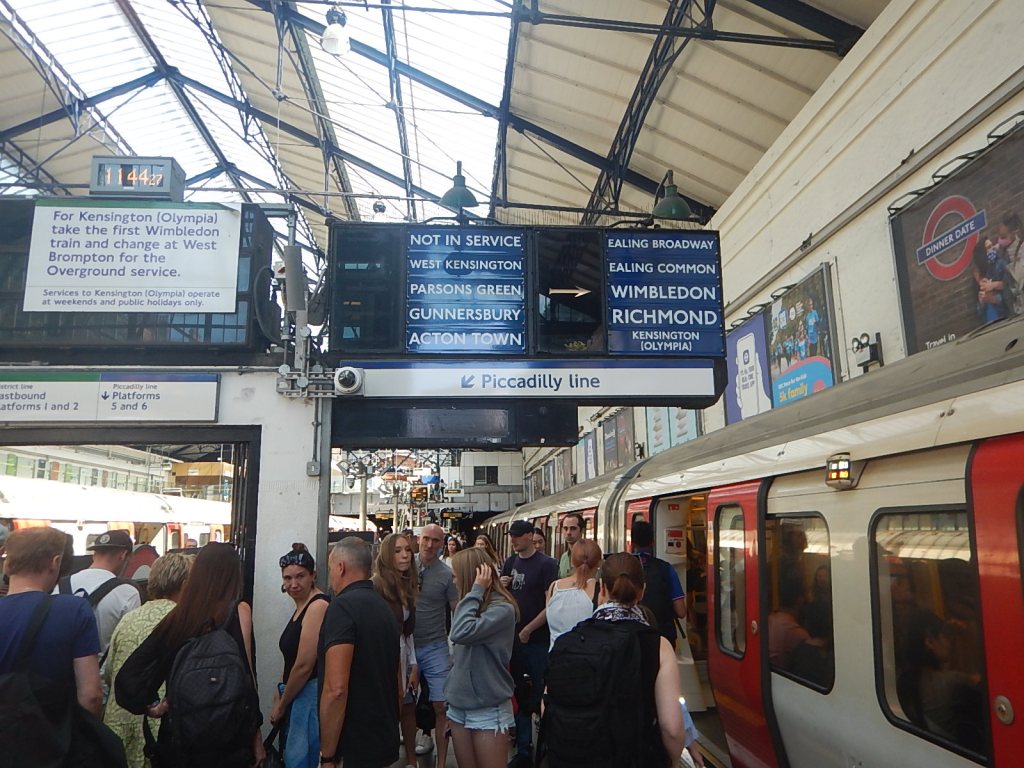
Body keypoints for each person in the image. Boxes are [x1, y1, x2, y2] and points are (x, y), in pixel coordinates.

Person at [114, 542, 264, 768]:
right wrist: (256, 736)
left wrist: (153, 706)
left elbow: (129, 678)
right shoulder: (238, 612)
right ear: (234, 576)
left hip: (180, 743)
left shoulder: (179, 619)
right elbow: (247, 677)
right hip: (228, 745)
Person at [542, 552, 685, 767]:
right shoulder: (658, 646)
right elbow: (671, 728)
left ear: (602, 589)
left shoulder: (568, 642)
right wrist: (673, 760)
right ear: (642, 591)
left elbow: (547, 706)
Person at [103, 552, 194, 768]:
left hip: (120, 726)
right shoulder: (185, 621)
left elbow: (109, 672)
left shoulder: (129, 619)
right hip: (159, 729)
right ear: (185, 584)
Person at [0, 526, 103, 716]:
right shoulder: (73, 610)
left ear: (6, 565)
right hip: (53, 730)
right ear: (55, 563)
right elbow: (91, 696)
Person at [318, 537, 400, 768]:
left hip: (353, 745)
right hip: (383, 739)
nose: (331, 576)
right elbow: (398, 681)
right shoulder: (384, 608)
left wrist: (328, 755)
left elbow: (336, 689)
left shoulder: (342, 608)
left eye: (330, 568)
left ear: (340, 567)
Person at [446, 547, 519, 768]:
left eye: (456, 575)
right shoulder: (469, 605)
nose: (453, 581)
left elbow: (460, 632)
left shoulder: (502, 610)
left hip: (488, 707)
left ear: (470, 575)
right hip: (459, 704)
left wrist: (476, 590)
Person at [500, 519, 558, 767]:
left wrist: (529, 629)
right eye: (511, 536)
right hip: (514, 640)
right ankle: (523, 749)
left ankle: (546, 744)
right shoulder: (510, 563)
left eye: (517, 536)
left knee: (541, 692)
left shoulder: (547, 565)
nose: (512, 540)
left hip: (538, 640)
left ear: (529, 536)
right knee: (519, 693)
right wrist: (501, 588)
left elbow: (551, 604)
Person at [272, 543, 330, 768]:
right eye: (287, 578)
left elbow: (304, 664)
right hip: (296, 694)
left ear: (313, 576)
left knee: (301, 760)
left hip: (308, 697)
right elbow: (291, 659)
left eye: (300, 576)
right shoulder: (303, 606)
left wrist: (281, 705)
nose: (293, 584)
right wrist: (280, 692)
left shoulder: (317, 606)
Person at [372, 532, 420, 768]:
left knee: (408, 707)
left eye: (408, 550)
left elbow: (407, 632)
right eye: (398, 551)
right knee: (388, 710)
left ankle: (411, 761)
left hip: (403, 656)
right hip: (384, 658)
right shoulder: (377, 586)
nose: (405, 556)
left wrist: (414, 665)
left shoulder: (407, 585)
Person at [414, 523, 458, 767]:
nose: (430, 545)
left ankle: (441, 762)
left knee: (441, 704)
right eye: (426, 539)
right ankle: (411, 759)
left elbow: (455, 609)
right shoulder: (404, 566)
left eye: (436, 540)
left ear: (442, 544)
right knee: (403, 704)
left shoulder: (446, 574)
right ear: (419, 540)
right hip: (406, 644)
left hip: (435, 645)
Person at [55, 528, 141, 655]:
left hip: (60, 665)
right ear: (124, 555)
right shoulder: (128, 593)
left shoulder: (60, 585)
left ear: (94, 554)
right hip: (101, 667)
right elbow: (128, 645)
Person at [631, 520, 686, 646]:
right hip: (663, 638)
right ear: (653, 542)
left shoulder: (624, 567)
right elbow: (681, 611)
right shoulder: (666, 568)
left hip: (633, 638)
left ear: (632, 543)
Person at [545, 539, 602, 650]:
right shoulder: (599, 590)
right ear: (599, 562)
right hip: (587, 655)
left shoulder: (554, 587)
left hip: (555, 655)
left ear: (572, 561)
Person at [557, 513, 585, 578]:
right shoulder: (564, 558)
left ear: (582, 531)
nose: (568, 532)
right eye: (565, 528)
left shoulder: (590, 556)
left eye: (573, 528)